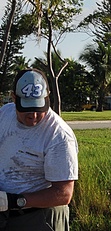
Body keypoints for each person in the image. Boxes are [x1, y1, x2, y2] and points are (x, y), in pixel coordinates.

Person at [0, 68, 79, 230]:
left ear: (47, 97)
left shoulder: (59, 135)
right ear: (14, 98)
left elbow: (64, 194)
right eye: (26, 109)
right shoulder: (4, 113)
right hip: (5, 216)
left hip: (39, 217)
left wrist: (13, 201)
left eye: (38, 109)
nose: (33, 116)